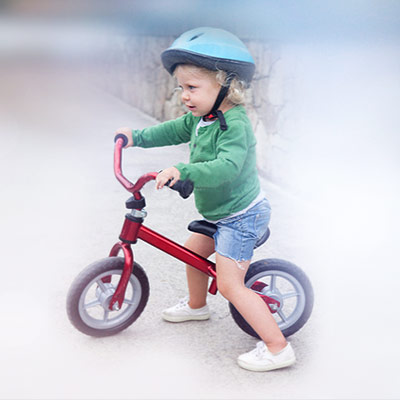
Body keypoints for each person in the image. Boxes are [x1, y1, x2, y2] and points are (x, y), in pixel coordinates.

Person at [115, 27, 296, 372]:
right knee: (191, 252)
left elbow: (225, 167)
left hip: (242, 216)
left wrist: (184, 170)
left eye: (192, 88)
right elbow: (169, 130)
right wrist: (135, 136)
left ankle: (277, 347)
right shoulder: (202, 118)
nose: (184, 95)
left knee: (230, 285)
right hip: (219, 212)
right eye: (181, 88)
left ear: (226, 85)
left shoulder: (236, 126)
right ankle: (198, 306)